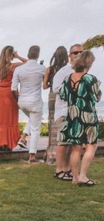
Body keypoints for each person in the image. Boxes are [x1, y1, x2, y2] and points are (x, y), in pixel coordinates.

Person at [58, 50, 101, 186]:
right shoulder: (90, 78)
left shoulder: (67, 78)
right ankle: (83, 176)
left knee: (76, 147)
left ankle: (74, 178)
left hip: (73, 116)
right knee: (91, 146)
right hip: (88, 115)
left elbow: (63, 95)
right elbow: (96, 97)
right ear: (89, 63)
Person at [51, 44, 83, 181]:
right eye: (75, 52)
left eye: (81, 52)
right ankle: (59, 170)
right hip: (64, 111)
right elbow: (55, 88)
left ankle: (68, 169)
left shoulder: (82, 71)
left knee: (72, 143)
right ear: (70, 55)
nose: (78, 54)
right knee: (63, 142)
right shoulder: (63, 72)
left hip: (76, 112)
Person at [11, 45, 46, 163]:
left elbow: (13, 89)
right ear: (38, 55)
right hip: (35, 102)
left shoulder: (19, 69)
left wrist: (18, 100)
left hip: (22, 102)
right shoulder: (42, 68)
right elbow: (46, 85)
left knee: (33, 119)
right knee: (36, 128)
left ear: (28, 54)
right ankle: (32, 156)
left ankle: (23, 138)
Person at [0, 46, 27, 151]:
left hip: (0, 93)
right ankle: (10, 142)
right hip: (10, 93)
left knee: (1, 119)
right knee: (10, 118)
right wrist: (18, 56)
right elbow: (29, 63)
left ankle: (0, 143)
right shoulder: (13, 66)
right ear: (11, 54)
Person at [43, 46, 69, 165]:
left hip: (52, 97)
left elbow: (44, 86)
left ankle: (50, 155)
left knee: (52, 125)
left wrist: (50, 84)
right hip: (63, 97)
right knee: (62, 125)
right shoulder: (67, 69)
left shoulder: (50, 69)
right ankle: (62, 156)